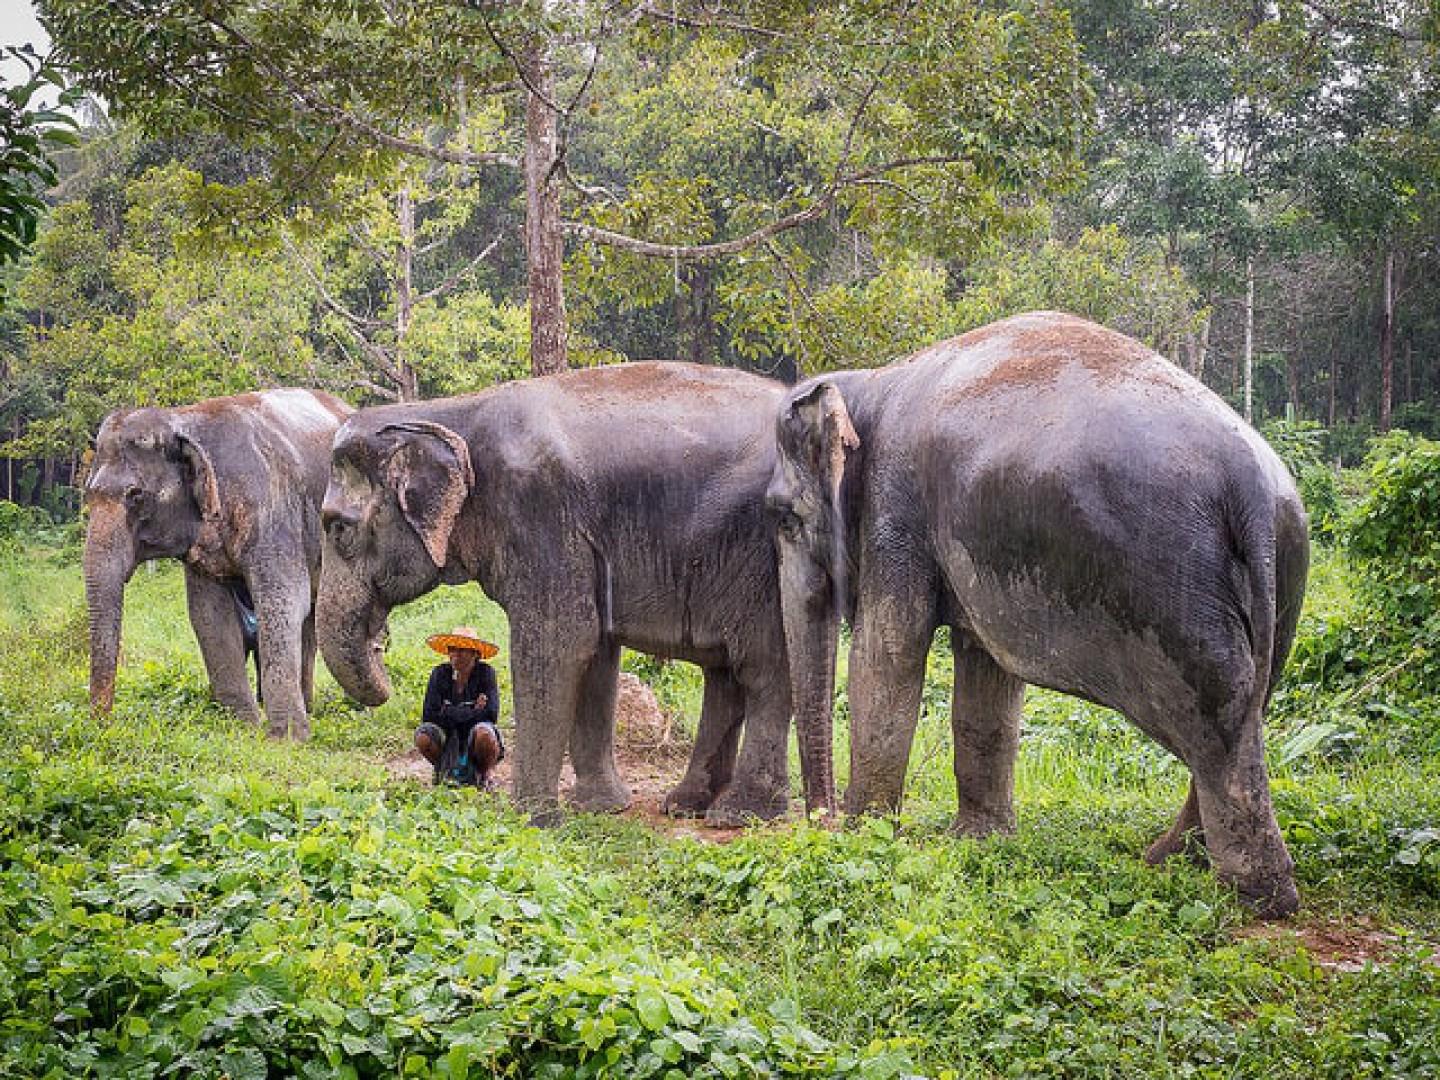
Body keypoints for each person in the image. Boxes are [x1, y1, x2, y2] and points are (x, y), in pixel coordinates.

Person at [415, 626, 503, 789]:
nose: (455, 654)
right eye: (452, 649)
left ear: (475, 654)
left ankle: (484, 775)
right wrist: (473, 710)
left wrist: (448, 711)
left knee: (484, 734)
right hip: (448, 734)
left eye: (462, 650)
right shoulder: (440, 674)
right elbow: (429, 714)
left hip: (473, 734)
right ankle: (443, 771)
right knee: (423, 736)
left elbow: (491, 714)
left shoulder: (486, 673)